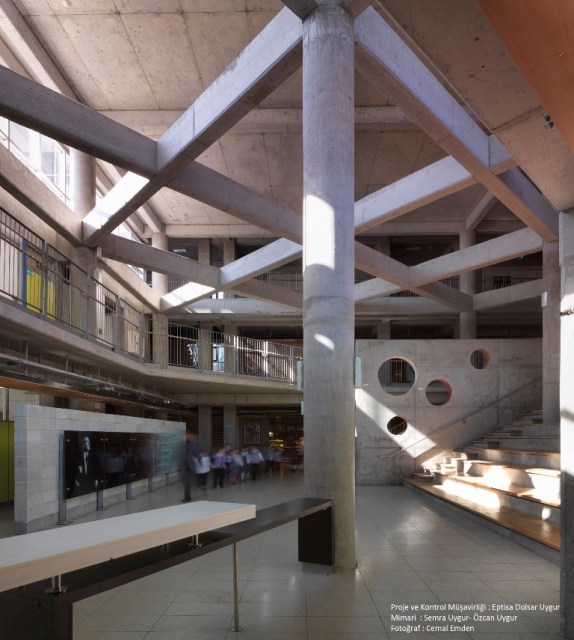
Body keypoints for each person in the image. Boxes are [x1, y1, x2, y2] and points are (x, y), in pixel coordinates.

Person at [183, 432, 202, 502]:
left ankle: (188, 497)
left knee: (188, 482)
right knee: (186, 482)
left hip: (190, 465)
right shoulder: (185, 444)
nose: (186, 437)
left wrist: (199, 463)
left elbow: (197, 454)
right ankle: (187, 496)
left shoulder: (194, 444)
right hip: (186, 465)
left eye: (187, 435)